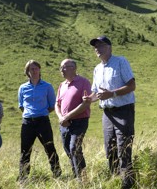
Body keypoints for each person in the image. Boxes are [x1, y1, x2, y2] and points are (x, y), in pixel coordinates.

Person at [84, 35, 136, 189]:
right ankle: (115, 180)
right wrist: (89, 99)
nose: (97, 49)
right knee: (109, 148)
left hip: (123, 111)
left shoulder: (121, 61)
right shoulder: (97, 69)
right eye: (95, 47)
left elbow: (132, 86)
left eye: (100, 46)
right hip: (107, 114)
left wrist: (112, 93)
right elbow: (96, 94)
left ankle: (128, 184)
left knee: (123, 148)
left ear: (109, 47)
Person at [17, 60, 61, 182]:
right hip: (27, 123)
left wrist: (41, 113)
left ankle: (57, 174)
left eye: (36, 68)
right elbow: (21, 105)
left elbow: (52, 105)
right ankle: (23, 178)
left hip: (43, 122)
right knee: (25, 151)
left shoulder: (47, 86)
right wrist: (30, 114)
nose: (34, 71)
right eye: (32, 69)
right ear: (28, 72)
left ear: (40, 70)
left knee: (50, 148)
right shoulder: (22, 88)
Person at [55, 59, 91, 180]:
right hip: (64, 123)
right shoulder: (62, 85)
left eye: (64, 67)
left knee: (74, 148)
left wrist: (67, 116)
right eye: (61, 67)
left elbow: (85, 104)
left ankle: (82, 179)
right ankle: (77, 175)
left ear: (73, 68)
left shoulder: (83, 82)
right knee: (68, 149)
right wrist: (61, 117)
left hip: (80, 121)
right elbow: (57, 104)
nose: (61, 70)